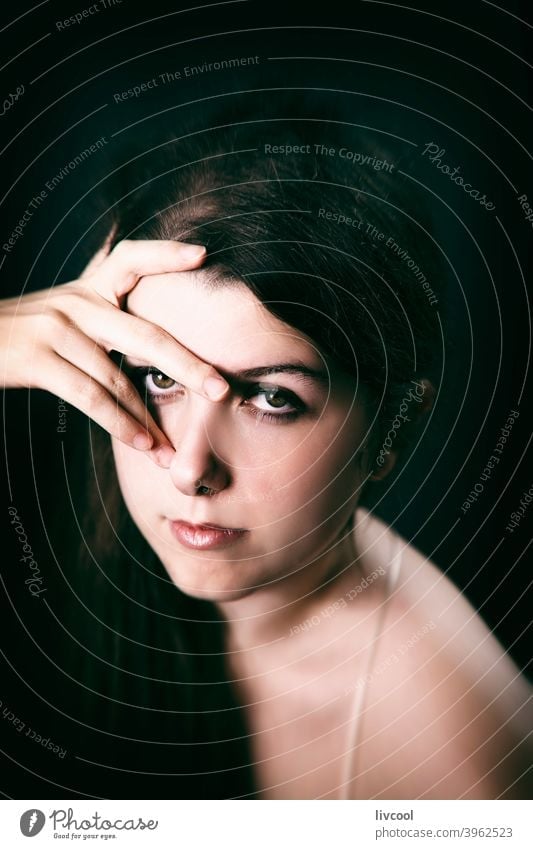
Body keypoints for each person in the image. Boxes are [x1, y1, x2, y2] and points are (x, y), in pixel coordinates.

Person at [2, 103, 531, 800]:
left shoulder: (450, 765)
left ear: (392, 428)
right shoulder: (45, 468)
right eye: (158, 377)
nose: (190, 467)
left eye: (271, 399)